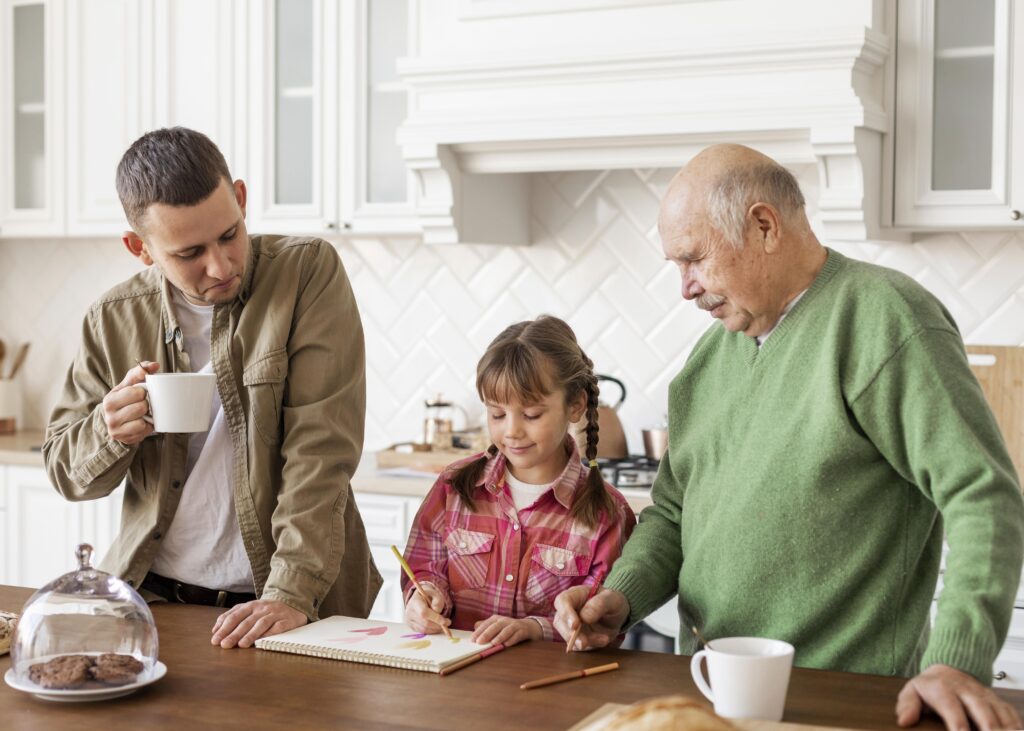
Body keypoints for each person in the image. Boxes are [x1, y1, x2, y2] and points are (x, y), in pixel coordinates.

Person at [554, 144, 1024, 730]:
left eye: (694, 259)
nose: (685, 288)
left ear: (764, 227)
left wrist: (956, 663)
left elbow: (982, 494)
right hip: (708, 693)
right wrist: (621, 597)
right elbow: (673, 514)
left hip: (841, 701)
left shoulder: (884, 318)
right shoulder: (708, 360)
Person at [44, 127, 382, 649]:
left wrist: (290, 593)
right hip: (154, 601)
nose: (220, 266)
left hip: (289, 606)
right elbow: (66, 474)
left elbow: (320, 452)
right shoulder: (113, 317)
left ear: (241, 198)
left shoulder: (305, 272)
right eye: (189, 253)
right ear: (139, 248)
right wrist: (110, 431)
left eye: (229, 234)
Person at [401, 315, 635, 646]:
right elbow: (424, 567)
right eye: (497, 414)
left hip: (551, 676)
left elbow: (602, 626)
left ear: (575, 405)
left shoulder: (607, 513)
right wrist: (424, 594)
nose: (511, 431)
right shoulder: (453, 487)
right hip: (454, 670)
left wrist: (533, 629)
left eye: (531, 415)